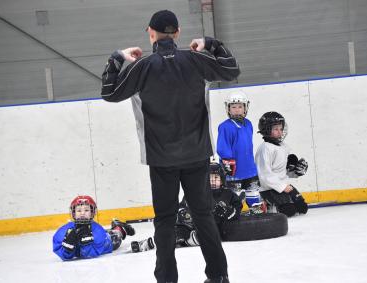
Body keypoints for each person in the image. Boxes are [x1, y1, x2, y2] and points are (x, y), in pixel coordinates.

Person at [100, 9, 239, 283]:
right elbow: (232, 70)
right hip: (197, 155)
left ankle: (166, 280)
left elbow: (109, 92)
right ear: (177, 33)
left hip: (161, 159)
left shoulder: (141, 67)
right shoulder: (196, 60)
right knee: (204, 216)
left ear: (150, 33)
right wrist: (211, 44)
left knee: (164, 221)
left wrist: (118, 58)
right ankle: (219, 276)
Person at [131, 162, 242, 253]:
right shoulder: (199, 192)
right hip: (192, 225)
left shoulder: (229, 194)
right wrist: (182, 211)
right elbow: (182, 206)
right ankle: (149, 243)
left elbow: (237, 209)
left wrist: (228, 212)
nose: (212, 181)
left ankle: (185, 241)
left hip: (214, 229)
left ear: (222, 179)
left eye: (216, 177)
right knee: (176, 232)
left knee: (209, 236)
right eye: (210, 178)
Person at [254, 112, 309, 217]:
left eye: (281, 128)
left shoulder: (283, 146)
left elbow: (285, 171)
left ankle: (278, 203)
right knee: (289, 211)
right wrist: (282, 186)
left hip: (283, 186)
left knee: (303, 208)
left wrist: (297, 172)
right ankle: (266, 205)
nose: (279, 132)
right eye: (275, 129)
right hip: (268, 189)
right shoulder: (265, 148)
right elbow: (264, 175)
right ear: (266, 130)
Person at [216, 91, 263, 211]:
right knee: (235, 199)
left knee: (254, 196)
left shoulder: (249, 124)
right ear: (228, 108)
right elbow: (222, 147)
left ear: (245, 108)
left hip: (250, 170)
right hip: (234, 172)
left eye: (240, 106)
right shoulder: (225, 126)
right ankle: (234, 216)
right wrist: (228, 163)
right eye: (233, 107)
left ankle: (257, 214)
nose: (237, 110)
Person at [53, 195, 135, 260]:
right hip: (95, 233)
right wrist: (67, 250)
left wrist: (86, 244)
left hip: (106, 242)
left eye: (86, 210)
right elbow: (60, 250)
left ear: (92, 212)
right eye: (78, 211)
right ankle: (115, 225)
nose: (82, 213)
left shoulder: (98, 231)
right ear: (73, 213)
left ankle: (119, 227)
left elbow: (90, 255)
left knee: (115, 236)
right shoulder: (64, 230)